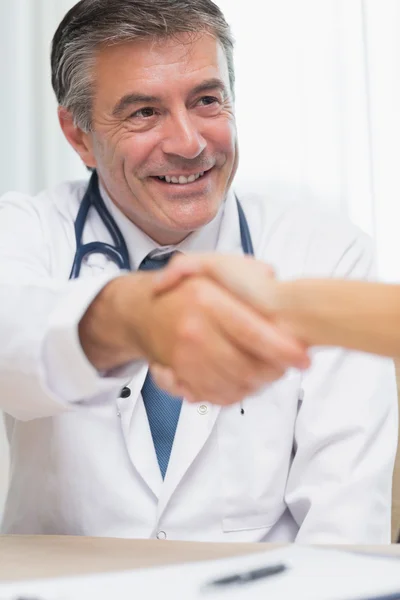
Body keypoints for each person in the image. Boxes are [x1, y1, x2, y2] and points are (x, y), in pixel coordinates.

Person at [0, 0, 397, 543]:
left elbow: (345, 527)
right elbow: (12, 341)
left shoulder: (326, 251)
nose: (189, 144)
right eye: (144, 112)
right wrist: (134, 317)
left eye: (206, 100)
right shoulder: (25, 232)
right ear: (78, 135)